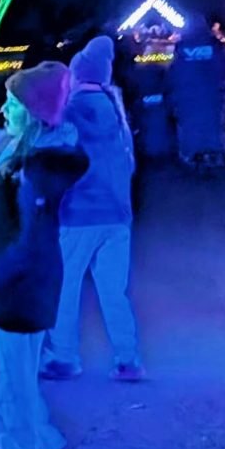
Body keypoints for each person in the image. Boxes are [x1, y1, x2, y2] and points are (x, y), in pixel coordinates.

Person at [0, 62, 88, 449]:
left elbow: (29, 243)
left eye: (13, 103)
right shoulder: (16, 155)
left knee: (6, 377)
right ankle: (38, 440)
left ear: (35, 113)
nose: (4, 109)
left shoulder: (35, 169)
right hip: (5, 287)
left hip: (16, 292)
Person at [43, 36, 145, 382]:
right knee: (113, 290)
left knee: (65, 286)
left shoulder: (70, 112)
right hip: (118, 216)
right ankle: (128, 359)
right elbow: (128, 167)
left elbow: (50, 158)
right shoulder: (116, 112)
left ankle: (64, 358)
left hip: (80, 214)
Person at [166, 13, 225, 165]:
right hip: (212, 92)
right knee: (214, 123)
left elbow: (175, 71)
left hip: (189, 93)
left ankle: (191, 155)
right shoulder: (216, 44)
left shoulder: (183, 46)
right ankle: (215, 154)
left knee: (190, 125)